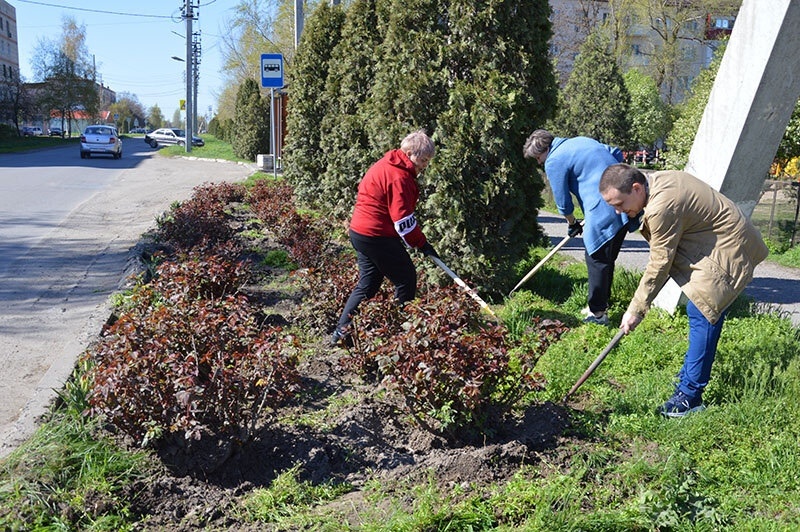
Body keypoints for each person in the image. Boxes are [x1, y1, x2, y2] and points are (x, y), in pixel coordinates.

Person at [599, 163, 768, 417]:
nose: (619, 211)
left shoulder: (660, 207)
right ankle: (690, 379)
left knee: (703, 310)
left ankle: (689, 397)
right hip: (717, 240)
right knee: (700, 309)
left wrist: (636, 309)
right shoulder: (658, 181)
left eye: (620, 203)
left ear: (636, 187)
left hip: (726, 247)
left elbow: (660, 263)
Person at [329, 129, 439, 346]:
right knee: (406, 278)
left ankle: (341, 333)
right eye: (423, 159)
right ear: (408, 153)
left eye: (428, 160)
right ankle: (402, 335)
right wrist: (422, 243)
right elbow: (403, 220)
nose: (425, 165)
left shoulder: (389, 163)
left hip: (360, 232)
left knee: (368, 283)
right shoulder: (400, 177)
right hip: (376, 235)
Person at [523, 129, 634, 325]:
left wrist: (571, 222)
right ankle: (601, 305)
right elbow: (615, 153)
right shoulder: (580, 141)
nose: (539, 163)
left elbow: (563, 200)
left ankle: (598, 315)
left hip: (602, 206)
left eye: (538, 158)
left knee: (596, 258)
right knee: (606, 258)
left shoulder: (554, 159)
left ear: (545, 150)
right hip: (624, 201)